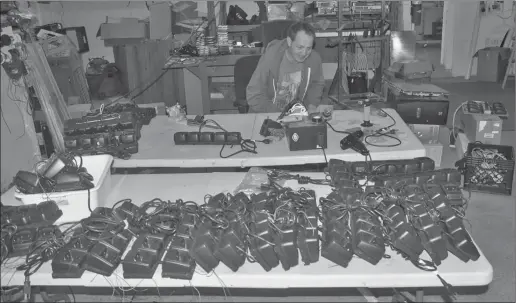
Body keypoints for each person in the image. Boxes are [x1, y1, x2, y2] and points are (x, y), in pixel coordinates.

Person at [246, 21, 325, 114]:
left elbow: (316, 84)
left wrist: (312, 105)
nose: (304, 53)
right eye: (300, 47)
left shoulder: (314, 59)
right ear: (289, 41)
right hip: (267, 112)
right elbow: (254, 95)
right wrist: (280, 115)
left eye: (308, 48)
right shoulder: (270, 58)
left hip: (296, 114)